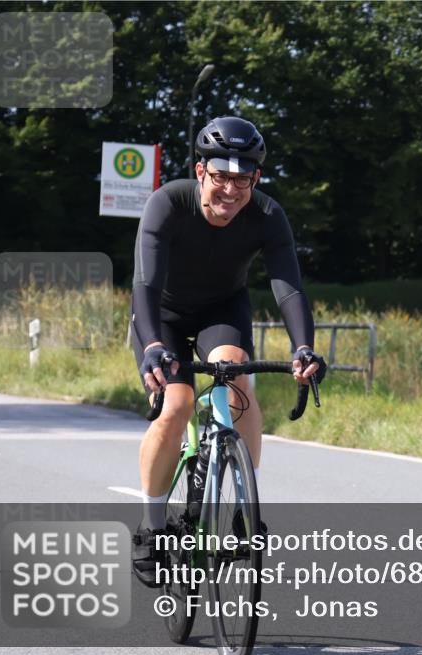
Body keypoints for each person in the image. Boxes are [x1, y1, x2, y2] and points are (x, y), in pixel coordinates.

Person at [129, 116, 326, 587]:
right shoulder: (168, 204)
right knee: (175, 407)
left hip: (223, 310)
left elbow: (289, 290)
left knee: (235, 376)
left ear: (255, 179)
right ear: (201, 172)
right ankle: (152, 527)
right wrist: (154, 344)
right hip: (165, 317)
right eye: (221, 177)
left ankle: (243, 504)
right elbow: (145, 284)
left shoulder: (267, 215)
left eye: (243, 180)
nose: (231, 191)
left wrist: (304, 348)